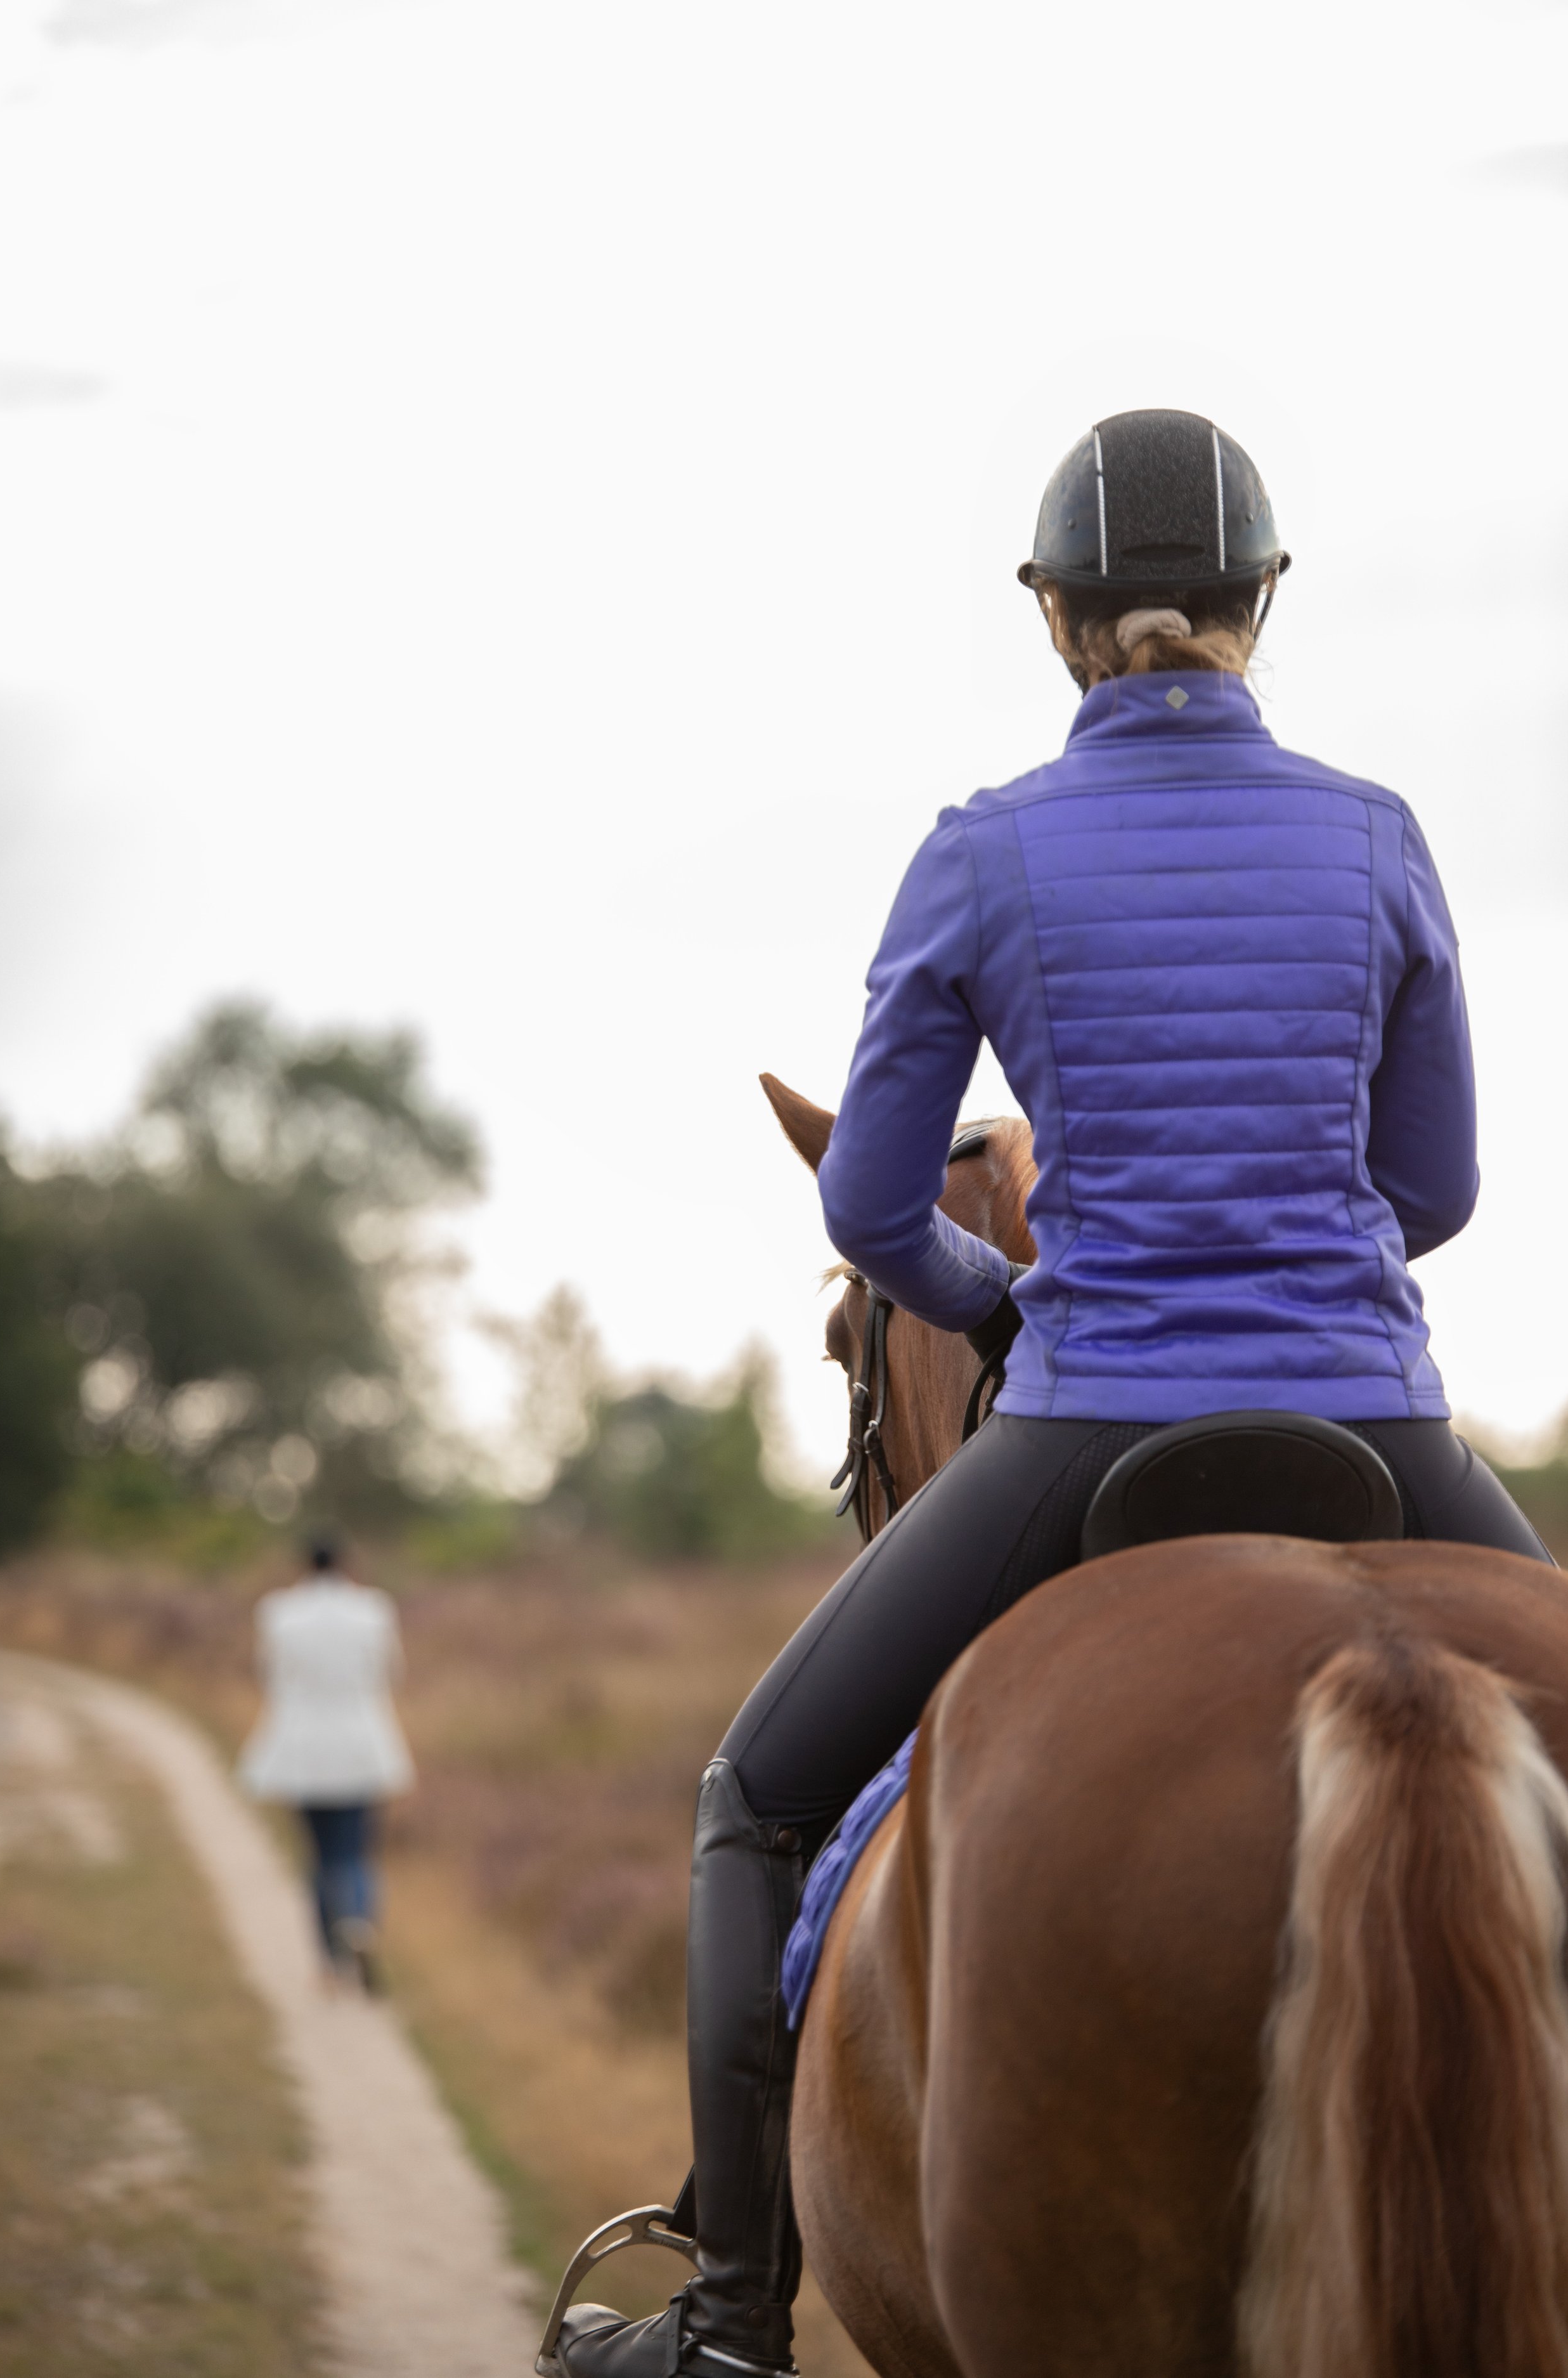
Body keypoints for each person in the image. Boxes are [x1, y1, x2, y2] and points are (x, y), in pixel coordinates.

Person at [548, 410, 1552, 2378]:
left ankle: (730, 2320)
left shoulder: (982, 846)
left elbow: (868, 1205)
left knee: (754, 1797)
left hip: (1087, 1415)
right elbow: (1429, 1188)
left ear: (1052, 617)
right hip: (1378, 1412)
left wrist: (998, 1301)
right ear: (1261, 601)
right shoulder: (1377, 835)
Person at [238, 1535, 415, 1991]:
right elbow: (390, 1674)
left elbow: (269, 1675)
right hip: (360, 1745)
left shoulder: (279, 1611)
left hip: (301, 1748)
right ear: (346, 1564)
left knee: (319, 1857)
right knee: (354, 1851)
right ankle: (359, 1919)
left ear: (304, 1564)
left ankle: (329, 1964)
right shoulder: (373, 1610)